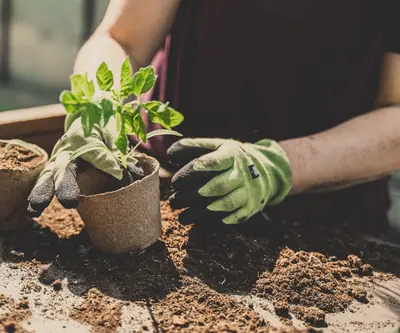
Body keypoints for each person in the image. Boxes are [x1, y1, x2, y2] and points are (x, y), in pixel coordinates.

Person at [27, 0, 400, 239]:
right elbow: (121, 38)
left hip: (325, 228)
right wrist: (95, 109)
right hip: (166, 194)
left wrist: (277, 166)